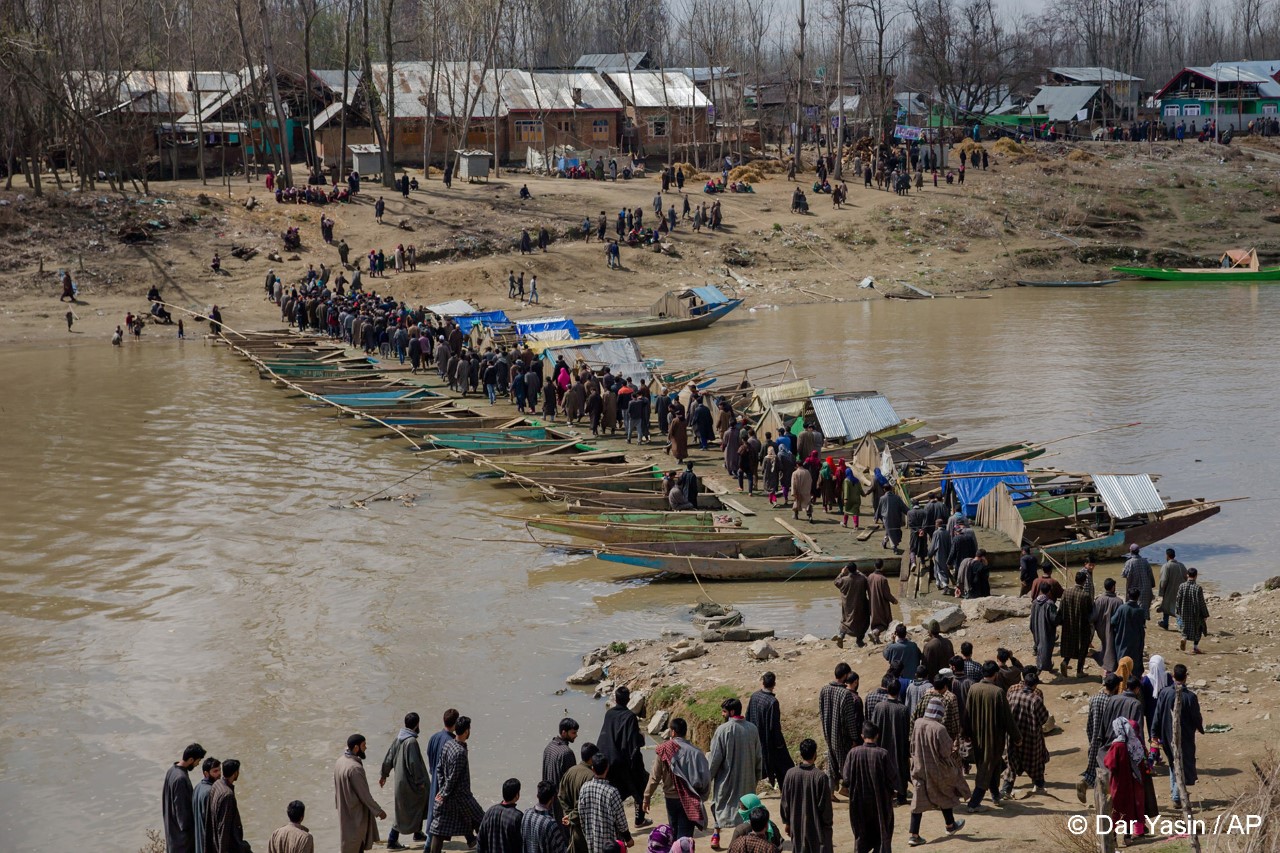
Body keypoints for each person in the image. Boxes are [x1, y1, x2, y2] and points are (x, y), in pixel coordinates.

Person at [907, 699, 968, 847]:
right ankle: (950, 825)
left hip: (919, 767)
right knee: (944, 792)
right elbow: (946, 751)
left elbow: (913, 743)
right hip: (937, 769)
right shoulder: (939, 728)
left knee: (918, 801)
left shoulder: (918, 723)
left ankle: (915, 835)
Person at [708, 697, 764, 848]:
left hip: (725, 781)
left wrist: (708, 777)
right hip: (747, 780)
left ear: (731, 712)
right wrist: (756, 777)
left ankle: (716, 835)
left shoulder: (722, 731)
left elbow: (714, 760)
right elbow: (759, 756)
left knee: (719, 806)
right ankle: (745, 841)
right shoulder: (752, 729)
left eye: (724, 711)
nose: (722, 714)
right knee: (746, 812)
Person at [643, 718, 710, 840]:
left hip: (671, 799)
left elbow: (654, 777)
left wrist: (646, 797)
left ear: (673, 732)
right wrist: (701, 797)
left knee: (673, 833)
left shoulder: (663, 749)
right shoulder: (696, 753)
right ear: (685, 732)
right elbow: (705, 778)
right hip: (690, 799)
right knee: (685, 836)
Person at [965, 662, 1020, 810]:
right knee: (986, 768)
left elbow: (967, 714)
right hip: (993, 739)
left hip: (977, 738)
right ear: (995, 674)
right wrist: (1017, 737)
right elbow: (1008, 719)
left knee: (994, 765)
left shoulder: (973, 689)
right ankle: (974, 803)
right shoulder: (998, 692)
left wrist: (965, 734)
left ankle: (996, 795)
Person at [428, 716, 484, 853]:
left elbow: (439, 769)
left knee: (439, 829)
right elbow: (453, 778)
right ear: (466, 731)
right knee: (482, 821)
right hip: (462, 796)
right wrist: (444, 793)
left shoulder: (449, 744)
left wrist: (441, 790)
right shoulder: (460, 752)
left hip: (449, 796)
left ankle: (473, 842)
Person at [1152, 663, 1205, 808]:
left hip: (1167, 734)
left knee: (1172, 762)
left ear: (1173, 676)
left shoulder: (1164, 693)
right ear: (1185, 677)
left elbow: (1157, 713)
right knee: (1179, 763)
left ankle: (1175, 792)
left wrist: (1154, 733)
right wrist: (1200, 728)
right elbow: (1196, 716)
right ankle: (1177, 795)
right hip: (1185, 736)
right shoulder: (1191, 697)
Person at [597, 686, 651, 827]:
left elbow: (606, 736)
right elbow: (632, 743)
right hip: (624, 761)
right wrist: (641, 738)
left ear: (615, 698)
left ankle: (612, 821)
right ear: (628, 700)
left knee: (616, 791)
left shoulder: (609, 714)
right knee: (641, 783)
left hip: (608, 760)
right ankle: (639, 819)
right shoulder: (630, 717)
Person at [841, 723, 897, 853]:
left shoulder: (853, 753)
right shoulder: (882, 754)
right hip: (880, 803)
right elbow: (892, 777)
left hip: (859, 803)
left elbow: (846, 779)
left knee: (861, 835)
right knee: (882, 834)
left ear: (862, 736)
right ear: (877, 736)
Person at [380, 714, 429, 850]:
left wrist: (384, 774)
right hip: (410, 784)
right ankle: (392, 840)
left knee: (413, 808)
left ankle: (417, 833)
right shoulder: (411, 741)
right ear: (417, 724)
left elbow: (389, 756)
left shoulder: (399, 739)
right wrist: (420, 782)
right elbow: (414, 764)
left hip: (401, 783)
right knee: (406, 812)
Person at [1002, 667, 1050, 797]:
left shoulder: (1013, 694)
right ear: (1034, 685)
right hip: (1031, 737)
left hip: (1014, 736)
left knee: (1012, 762)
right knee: (1035, 762)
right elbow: (1044, 718)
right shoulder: (1036, 699)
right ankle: (1039, 786)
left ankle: (1006, 789)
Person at [779, 739, 832, 853]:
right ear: (815, 754)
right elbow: (826, 808)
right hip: (816, 830)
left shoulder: (790, 774)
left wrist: (787, 822)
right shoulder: (820, 777)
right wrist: (827, 826)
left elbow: (785, 803)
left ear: (801, 754)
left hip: (796, 827)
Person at [337, 734, 385, 853]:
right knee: (357, 844)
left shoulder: (340, 761)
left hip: (344, 810)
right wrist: (379, 811)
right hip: (356, 814)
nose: (366, 748)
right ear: (356, 748)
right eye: (364, 745)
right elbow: (364, 795)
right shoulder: (355, 768)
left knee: (349, 844)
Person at [1103, 718, 1148, 847]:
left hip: (1118, 783)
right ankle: (1127, 838)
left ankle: (1113, 838)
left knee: (1116, 810)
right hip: (1132, 783)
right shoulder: (1135, 742)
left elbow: (1109, 763)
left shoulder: (1117, 745)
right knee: (1129, 810)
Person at [1078, 673, 1123, 803]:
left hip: (1094, 739)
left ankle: (1085, 783)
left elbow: (1089, 723)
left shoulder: (1094, 699)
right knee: (1107, 772)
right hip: (1108, 742)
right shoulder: (1114, 701)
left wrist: (1091, 739)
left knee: (1093, 768)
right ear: (1115, 687)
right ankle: (1105, 801)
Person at [818, 664, 862, 792]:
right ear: (845, 675)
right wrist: (854, 738)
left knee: (831, 762)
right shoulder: (845, 694)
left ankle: (830, 792)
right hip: (842, 736)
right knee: (846, 765)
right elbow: (849, 720)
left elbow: (821, 712)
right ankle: (847, 788)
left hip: (828, 732)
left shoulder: (824, 689)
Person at [746, 673, 795, 787]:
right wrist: (779, 745)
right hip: (770, 743)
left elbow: (748, 716)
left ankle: (749, 791)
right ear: (774, 684)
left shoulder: (754, 696)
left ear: (762, 682)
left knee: (756, 769)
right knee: (785, 767)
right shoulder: (772, 702)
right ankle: (787, 792)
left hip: (756, 740)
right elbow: (774, 726)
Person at [577, 754, 634, 853]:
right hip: (611, 846)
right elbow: (621, 822)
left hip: (592, 842)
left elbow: (581, 816)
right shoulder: (612, 792)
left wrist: (587, 834)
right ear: (607, 768)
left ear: (593, 769)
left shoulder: (584, 788)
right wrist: (628, 839)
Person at [868, 678, 911, 805]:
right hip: (899, 744)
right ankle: (901, 796)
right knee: (901, 768)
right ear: (898, 692)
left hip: (882, 743)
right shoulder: (903, 709)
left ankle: (885, 794)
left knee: (883, 769)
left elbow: (873, 726)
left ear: (887, 689)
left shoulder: (879, 707)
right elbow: (907, 730)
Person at [163, 743, 207, 853]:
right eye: (198, 761)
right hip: (182, 841)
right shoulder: (180, 778)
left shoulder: (172, 770)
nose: (198, 764)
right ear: (191, 759)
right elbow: (182, 812)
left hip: (172, 833)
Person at [559, 742, 599, 853]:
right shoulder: (591, 776)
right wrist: (572, 816)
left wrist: (568, 814)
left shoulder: (570, 771)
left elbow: (561, 796)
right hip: (586, 828)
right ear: (591, 758)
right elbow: (585, 805)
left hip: (574, 827)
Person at [541, 717, 578, 830]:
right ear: (563, 732)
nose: (576, 735)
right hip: (562, 804)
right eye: (573, 733)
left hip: (549, 800)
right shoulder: (567, 753)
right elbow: (572, 783)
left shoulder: (549, 747)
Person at [425, 710, 458, 834]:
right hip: (445, 783)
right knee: (441, 817)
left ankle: (470, 838)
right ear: (456, 723)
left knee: (434, 813)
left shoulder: (434, 737)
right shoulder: (452, 742)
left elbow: (429, 754)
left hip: (434, 778)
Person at [1058, 570, 1093, 677]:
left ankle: (1065, 662)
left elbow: (1061, 609)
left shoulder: (1066, 592)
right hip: (1081, 625)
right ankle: (1079, 671)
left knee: (1069, 645)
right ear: (1084, 582)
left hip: (1068, 624)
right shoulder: (1085, 595)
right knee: (1083, 647)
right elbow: (1090, 612)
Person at [207, 758, 245, 853]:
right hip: (229, 846)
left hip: (214, 842)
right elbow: (224, 827)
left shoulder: (217, 784)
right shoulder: (227, 795)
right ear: (235, 773)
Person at [477, 778, 523, 853]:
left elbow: (480, 838)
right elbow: (520, 844)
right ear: (517, 795)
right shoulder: (517, 816)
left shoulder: (490, 811)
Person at [834, 562, 870, 648]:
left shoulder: (844, 580)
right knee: (862, 622)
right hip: (860, 605)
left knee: (846, 620)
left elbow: (836, 582)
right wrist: (859, 572)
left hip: (848, 605)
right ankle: (859, 641)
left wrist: (842, 573)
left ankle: (841, 636)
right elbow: (868, 580)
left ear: (848, 570)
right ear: (856, 569)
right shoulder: (862, 579)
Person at [1091, 578, 1124, 672]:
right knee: (1111, 647)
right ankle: (1110, 667)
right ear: (1113, 587)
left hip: (1101, 628)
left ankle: (1104, 662)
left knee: (1105, 644)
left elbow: (1093, 616)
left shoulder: (1099, 600)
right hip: (1113, 629)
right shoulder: (1119, 602)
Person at [1175, 567, 1210, 653]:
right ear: (1196, 576)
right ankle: (1195, 647)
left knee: (1184, 627)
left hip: (1184, 611)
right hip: (1195, 612)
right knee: (1199, 629)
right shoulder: (1198, 588)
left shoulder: (1182, 586)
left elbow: (1178, 599)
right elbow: (1201, 602)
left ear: (1187, 575)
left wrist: (1177, 611)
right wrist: (1205, 614)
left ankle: (1184, 637)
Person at [1111, 589, 1147, 666]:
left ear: (1128, 596)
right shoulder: (1140, 611)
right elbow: (1142, 624)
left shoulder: (1122, 608)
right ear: (1138, 597)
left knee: (1122, 660)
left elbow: (1113, 621)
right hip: (1136, 639)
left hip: (1123, 637)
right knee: (1134, 661)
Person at [193, 757, 221, 853]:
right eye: (215, 771)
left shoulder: (197, 787)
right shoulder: (210, 792)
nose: (219, 774)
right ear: (206, 773)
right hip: (207, 845)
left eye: (220, 770)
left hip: (199, 843)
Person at [1029, 590, 1059, 673]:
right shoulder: (1050, 604)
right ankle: (1040, 668)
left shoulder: (1035, 602)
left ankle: (1048, 667)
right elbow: (1054, 619)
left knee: (1039, 647)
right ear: (1049, 591)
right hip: (1047, 630)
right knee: (1047, 649)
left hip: (1036, 629)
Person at [1157, 549, 1188, 630]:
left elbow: (1163, 580)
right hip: (1180, 590)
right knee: (1178, 608)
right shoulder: (1181, 565)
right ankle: (1180, 625)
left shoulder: (1166, 566)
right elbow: (1186, 577)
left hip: (1169, 590)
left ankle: (1165, 623)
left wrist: (1161, 591)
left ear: (1167, 556)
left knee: (1166, 607)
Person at [866, 561, 897, 642]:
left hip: (872, 604)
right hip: (882, 604)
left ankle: (876, 638)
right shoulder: (883, 579)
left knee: (875, 621)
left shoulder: (869, 577)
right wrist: (894, 600)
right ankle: (875, 632)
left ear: (874, 565)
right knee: (885, 622)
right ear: (882, 567)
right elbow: (887, 594)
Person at [1122, 545, 1155, 619]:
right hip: (1146, 588)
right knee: (1144, 608)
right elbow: (1150, 574)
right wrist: (1152, 585)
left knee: (1133, 608)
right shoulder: (1145, 561)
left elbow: (1124, 575)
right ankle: (1142, 624)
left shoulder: (1129, 562)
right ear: (1138, 551)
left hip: (1133, 590)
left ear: (1130, 551)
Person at [875, 489, 908, 554]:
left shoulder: (882, 498)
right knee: (892, 533)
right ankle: (894, 547)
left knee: (890, 531)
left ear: (884, 490)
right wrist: (909, 512)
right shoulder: (897, 498)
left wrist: (876, 517)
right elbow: (903, 507)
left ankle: (884, 542)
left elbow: (879, 508)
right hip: (896, 518)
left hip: (887, 519)